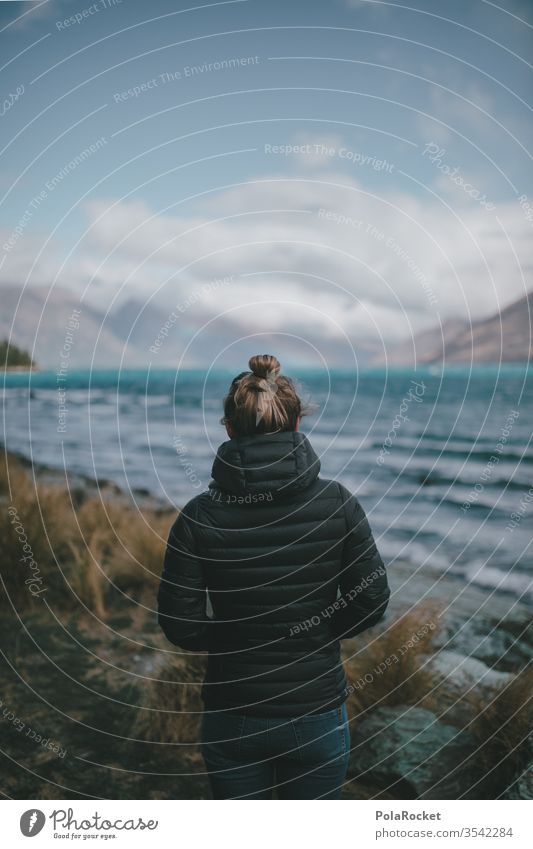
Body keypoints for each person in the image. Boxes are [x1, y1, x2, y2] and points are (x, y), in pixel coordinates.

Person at [157, 354, 390, 799]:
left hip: (233, 712)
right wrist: (315, 633)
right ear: (298, 423)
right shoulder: (338, 502)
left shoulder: (198, 517)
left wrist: (243, 636)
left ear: (229, 428)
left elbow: (180, 624)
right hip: (316, 709)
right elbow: (371, 600)